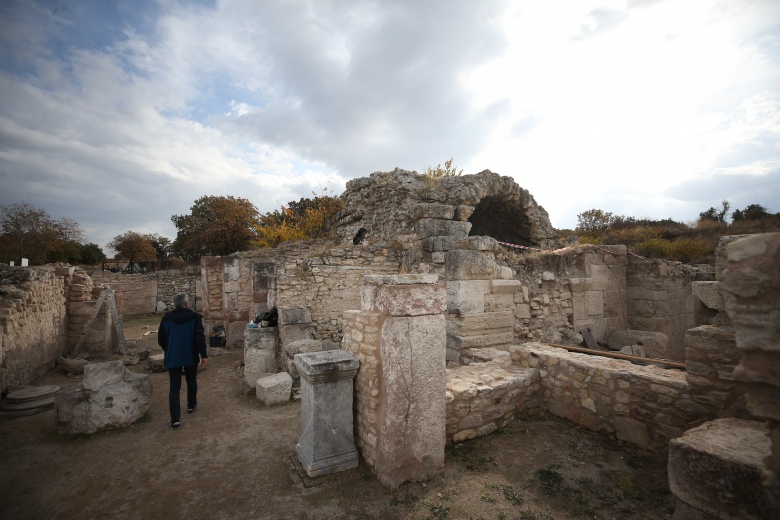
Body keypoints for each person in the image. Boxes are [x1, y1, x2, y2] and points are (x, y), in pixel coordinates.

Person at [157, 292, 208, 429]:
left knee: (174, 387)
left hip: (173, 356)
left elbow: (161, 338)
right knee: (191, 380)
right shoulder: (195, 317)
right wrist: (203, 355)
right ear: (186, 303)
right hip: (190, 355)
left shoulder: (167, 318)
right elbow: (199, 337)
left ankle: (175, 419)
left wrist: (169, 348)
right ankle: (191, 405)